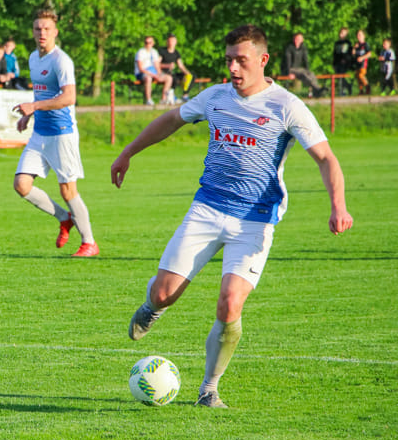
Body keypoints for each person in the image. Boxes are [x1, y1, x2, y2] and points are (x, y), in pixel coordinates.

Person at [110, 24, 353, 408]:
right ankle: (152, 308)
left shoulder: (286, 106)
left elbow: (326, 157)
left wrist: (338, 205)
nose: (234, 69)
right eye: (229, 61)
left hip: (255, 221)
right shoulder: (215, 97)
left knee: (230, 303)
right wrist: (128, 152)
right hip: (207, 209)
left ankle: (209, 388)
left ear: (262, 60)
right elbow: (171, 120)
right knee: (163, 293)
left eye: (241, 60)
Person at [12, 8, 98, 258]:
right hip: (40, 133)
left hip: (62, 133)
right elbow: (42, 94)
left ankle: (89, 243)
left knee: (68, 190)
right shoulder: (33, 58)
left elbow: (69, 97)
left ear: (55, 32)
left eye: (47, 29)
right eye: (38, 28)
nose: (42, 33)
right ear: (33, 31)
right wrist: (29, 115)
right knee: (21, 184)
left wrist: (34, 107)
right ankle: (64, 218)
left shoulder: (61, 60)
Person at [282, 32, 324, 97]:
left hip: (298, 70)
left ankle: (316, 91)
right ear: (294, 39)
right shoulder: (289, 48)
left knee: (311, 74)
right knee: (303, 73)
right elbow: (287, 61)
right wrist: (288, 73)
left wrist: (308, 71)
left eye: (300, 39)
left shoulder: (303, 48)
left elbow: (306, 60)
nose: (298, 40)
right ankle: (318, 89)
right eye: (297, 38)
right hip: (289, 69)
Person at [135, 35, 174, 105]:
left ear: (153, 43)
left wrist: (159, 74)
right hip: (142, 74)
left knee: (169, 78)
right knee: (148, 78)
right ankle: (148, 99)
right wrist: (153, 75)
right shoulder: (140, 52)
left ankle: (163, 99)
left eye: (150, 42)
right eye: (146, 42)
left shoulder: (154, 52)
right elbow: (141, 69)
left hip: (153, 72)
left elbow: (157, 65)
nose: (148, 44)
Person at [158, 33, 194, 102]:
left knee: (192, 75)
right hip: (164, 73)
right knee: (173, 78)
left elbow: (180, 65)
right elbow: (157, 64)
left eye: (172, 41)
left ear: (175, 42)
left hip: (172, 73)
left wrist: (187, 73)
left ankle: (185, 95)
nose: (171, 43)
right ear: (167, 42)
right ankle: (169, 97)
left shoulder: (176, 53)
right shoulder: (162, 51)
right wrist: (167, 65)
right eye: (169, 41)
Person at [332, 27, 354, 96]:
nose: (342, 35)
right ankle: (348, 86)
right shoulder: (337, 43)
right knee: (339, 77)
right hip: (337, 63)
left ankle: (342, 91)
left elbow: (349, 53)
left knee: (341, 77)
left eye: (344, 33)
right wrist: (334, 63)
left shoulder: (348, 43)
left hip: (345, 63)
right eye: (341, 33)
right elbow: (335, 54)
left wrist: (346, 60)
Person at [353, 30, 372, 95]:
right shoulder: (357, 45)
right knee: (358, 77)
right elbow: (353, 53)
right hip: (357, 64)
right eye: (357, 35)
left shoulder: (365, 44)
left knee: (361, 75)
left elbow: (369, 54)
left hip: (363, 64)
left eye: (360, 35)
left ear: (364, 36)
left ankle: (368, 86)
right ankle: (361, 91)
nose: (358, 36)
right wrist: (354, 48)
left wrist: (362, 57)